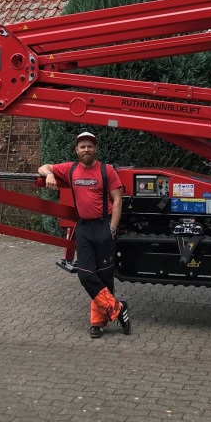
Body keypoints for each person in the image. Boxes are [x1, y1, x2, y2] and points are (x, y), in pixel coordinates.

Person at [38, 131, 131, 339]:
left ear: (95, 149)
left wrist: (112, 229)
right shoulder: (70, 169)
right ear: (76, 150)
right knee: (86, 274)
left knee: (104, 276)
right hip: (84, 229)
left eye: (90, 146)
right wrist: (50, 174)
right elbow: (43, 167)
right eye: (82, 147)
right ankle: (118, 309)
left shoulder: (107, 171)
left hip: (104, 226)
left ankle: (98, 323)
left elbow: (117, 200)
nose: (86, 149)